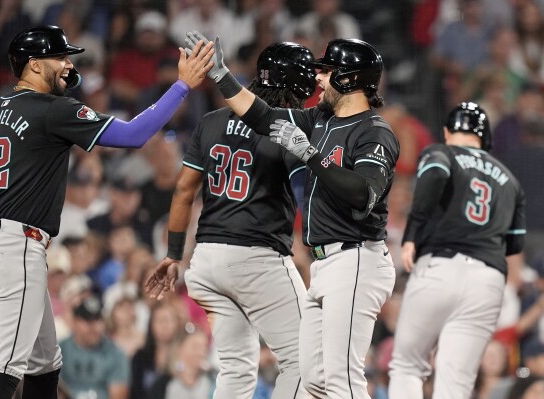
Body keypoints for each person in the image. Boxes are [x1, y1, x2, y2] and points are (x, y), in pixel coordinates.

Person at [0, 24, 214, 399]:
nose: (67, 64)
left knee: (45, 364)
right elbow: (134, 135)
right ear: (34, 65)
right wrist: (182, 86)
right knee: (3, 370)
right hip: (17, 249)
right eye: (59, 57)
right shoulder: (52, 109)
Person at [177, 32, 400, 398]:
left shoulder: (374, 132)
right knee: (313, 379)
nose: (318, 77)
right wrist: (221, 76)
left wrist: (311, 156)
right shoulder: (320, 119)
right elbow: (263, 115)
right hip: (326, 263)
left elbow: (364, 194)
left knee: (343, 381)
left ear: (349, 79)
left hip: (358, 258)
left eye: (327, 71)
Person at [145, 41, 318, 398]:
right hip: (257, 259)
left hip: (206, 261)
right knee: (308, 361)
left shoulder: (211, 122)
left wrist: (174, 253)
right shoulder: (287, 127)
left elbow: (183, 191)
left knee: (236, 370)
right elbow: (308, 198)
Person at [388, 102, 526, 399]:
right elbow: (514, 244)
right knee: (456, 380)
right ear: (484, 136)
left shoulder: (441, 152)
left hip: (441, 265)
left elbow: (435, 176)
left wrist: (412, 233)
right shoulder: (510, 180)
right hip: (487, 280)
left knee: (408, 366)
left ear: (448, 132)